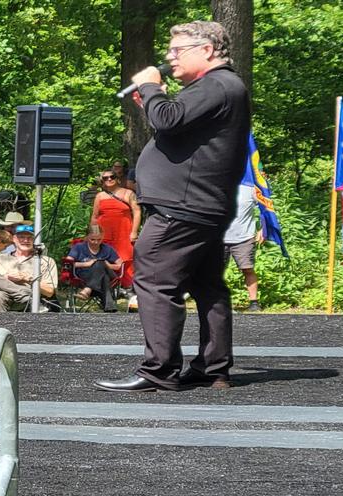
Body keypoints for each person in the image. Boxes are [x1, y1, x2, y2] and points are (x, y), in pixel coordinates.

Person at [96, 20, 250, 393]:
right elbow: (173, 128)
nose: (169, 57)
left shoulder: (215, 84)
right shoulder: (221, 88)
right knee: (206, 284)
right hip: (201, 205)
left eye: (177, 50)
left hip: (182, 207)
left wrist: (151, 85)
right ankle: (212, 368)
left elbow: (168, 117)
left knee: (152, 280)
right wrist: (151, 98)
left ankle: (159, 370)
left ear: (207, 50)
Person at [0, 224, 58, 312]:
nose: (26, 240)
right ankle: (25, 298)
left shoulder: (45, 261)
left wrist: (26, 278)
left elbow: (49, 291)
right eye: (21, 237)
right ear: (14, 239)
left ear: (35, 240)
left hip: (25, 300)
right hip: (23, 298)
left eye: (30, 237)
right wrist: (5, 278)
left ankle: (0, 325)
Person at [92, 167, 141, 292]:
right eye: (105, 178)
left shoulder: (128, 193)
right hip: (105, 233)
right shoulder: (100, 196)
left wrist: (134, 232)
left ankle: (128, 286)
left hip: (124, 232)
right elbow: (94, 216)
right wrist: (96, 235)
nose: (109, 179)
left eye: (112, 177)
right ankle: (108, 286)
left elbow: (137, 212)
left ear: (117, 179)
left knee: (126, 257)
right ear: (102, 181)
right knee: (106, 258)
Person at [224, 182, 262, 312]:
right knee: (215, 272)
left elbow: (266, 207)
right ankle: (217, 302)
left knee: (247, 269)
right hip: (218, 237)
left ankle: (254, 302)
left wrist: (263, 228)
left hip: (244, 237)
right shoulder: (217, 183)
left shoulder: (251, 188)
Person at [67, 224, 123, 312]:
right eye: (92, 239)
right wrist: (86, 264)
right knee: (104, 277)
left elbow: (120, 265)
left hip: (108, 273)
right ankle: (110, 308)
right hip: (84, 276)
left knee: (100, 263)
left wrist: (108, 265)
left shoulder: (107, 249)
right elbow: (68, 263)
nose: (96, 242)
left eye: (99, 239)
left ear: (103, 237)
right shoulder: (78, 247)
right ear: (86, 237)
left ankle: (87, 289)